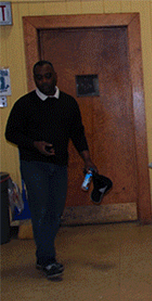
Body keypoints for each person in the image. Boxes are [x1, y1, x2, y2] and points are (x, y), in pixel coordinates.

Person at [5, 60, 97, 280]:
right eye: (39, 77)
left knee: (55, 212)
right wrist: (34, 144)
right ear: (34, 79)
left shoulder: (68, 103)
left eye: (47, 76)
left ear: (55, 76)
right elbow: (11, 134)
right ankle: (48, 260)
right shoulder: (24, 104)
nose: (43, 81)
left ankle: (42, 256)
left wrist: (87, 160)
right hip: (33, 165)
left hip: (59, 165)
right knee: (41, 210)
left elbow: (78, 133)